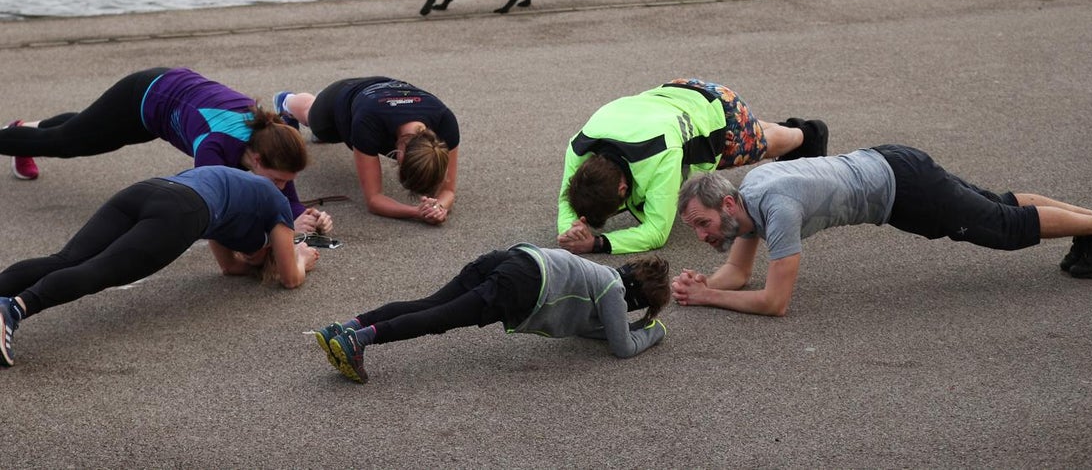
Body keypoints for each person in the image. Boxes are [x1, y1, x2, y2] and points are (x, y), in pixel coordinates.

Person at [672, 144, 1092, 316]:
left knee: (1003, 228)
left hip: (906, 190)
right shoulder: (749, 202)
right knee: (998, 206)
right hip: (891, 163)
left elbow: (774, 303)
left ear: (727, 204)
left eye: (703, 224)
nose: (702, 235)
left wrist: (711, 298)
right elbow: (737, 275)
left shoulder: (778, 207)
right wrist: (703, 284)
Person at [0, 166, 321, 367]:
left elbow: (229, 267)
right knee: (100, 271)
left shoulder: (239, 194)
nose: (249, 256)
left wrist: (254, 260)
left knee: (67, 259)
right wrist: (300, 258)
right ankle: (12, 310)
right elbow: (290, 279)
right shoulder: (277, 206)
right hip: (181, 212)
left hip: (149, 188)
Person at [0, 67, 331, 233]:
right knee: (68, 142)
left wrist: (301, 214)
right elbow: (214, 217)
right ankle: (16, 135)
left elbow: (285, 194)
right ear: (256, 160)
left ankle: (26, 129)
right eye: (277, 181)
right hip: (141, 97)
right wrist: (281, 223)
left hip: (166, 102)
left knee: (87, 129)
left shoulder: (276, 142)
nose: (283, 186)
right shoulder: (214, 150)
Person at [312, 244, 669, 383]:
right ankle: (358, 342)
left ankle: (346, 328)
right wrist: (653, 331)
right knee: (439, 319)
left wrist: (626, 325)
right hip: (524, 284)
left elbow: (598, 330)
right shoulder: (614, 289)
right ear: (636, 298)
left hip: (513, 259)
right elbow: (621, 347)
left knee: (429, 305)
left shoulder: (602, 279)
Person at [557, 78, 828, 255]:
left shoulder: (659, 155)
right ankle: (764, 127)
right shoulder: (579, 148)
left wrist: (597, 243)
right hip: (677, 93)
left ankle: (807, 133)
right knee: (752, 128)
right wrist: (568, 232)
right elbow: (564, 199)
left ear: (622, 187)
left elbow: (656, 232)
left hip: (720, 109)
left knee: (757, 146)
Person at [273, 77, 459, 224]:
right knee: (312, 118)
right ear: (399, 154)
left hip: (380, 94)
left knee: (331, 131)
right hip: (342, 98)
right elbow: (374, 199)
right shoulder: (369, 123)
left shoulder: (445, 122)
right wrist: (416, 212)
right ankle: (286, 101)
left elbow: (448, 190)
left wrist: (439, 207)